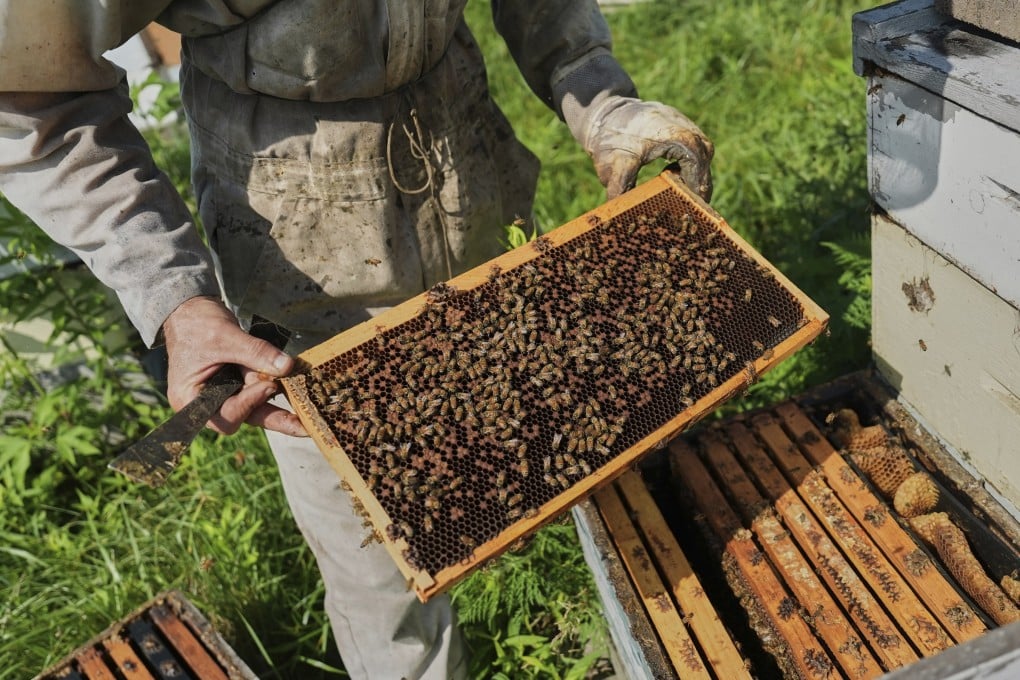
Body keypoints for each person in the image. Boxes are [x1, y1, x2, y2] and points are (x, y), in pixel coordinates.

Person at [0, 2, 713, 678]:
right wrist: (175, 298)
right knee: (379, 566)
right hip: (295, 249)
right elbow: (32, 99)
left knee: (551, 446)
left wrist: (600, 95)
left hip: (468, 167)